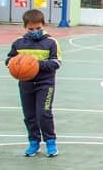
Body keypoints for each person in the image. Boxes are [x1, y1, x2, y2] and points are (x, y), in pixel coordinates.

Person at [5, 9, 62, 158]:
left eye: (38, 28)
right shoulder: (18, 43)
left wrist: (36, 64)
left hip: (45, 83)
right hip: (26, 84)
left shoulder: (51, 42)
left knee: (43, 113)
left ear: (43, 25)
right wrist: (13, 64)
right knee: (29, 115)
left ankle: (50, 142)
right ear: (25, 27)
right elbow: (9, 60)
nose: (35, 31)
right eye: (31, 29)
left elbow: (56, 63)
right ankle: (33, 142)